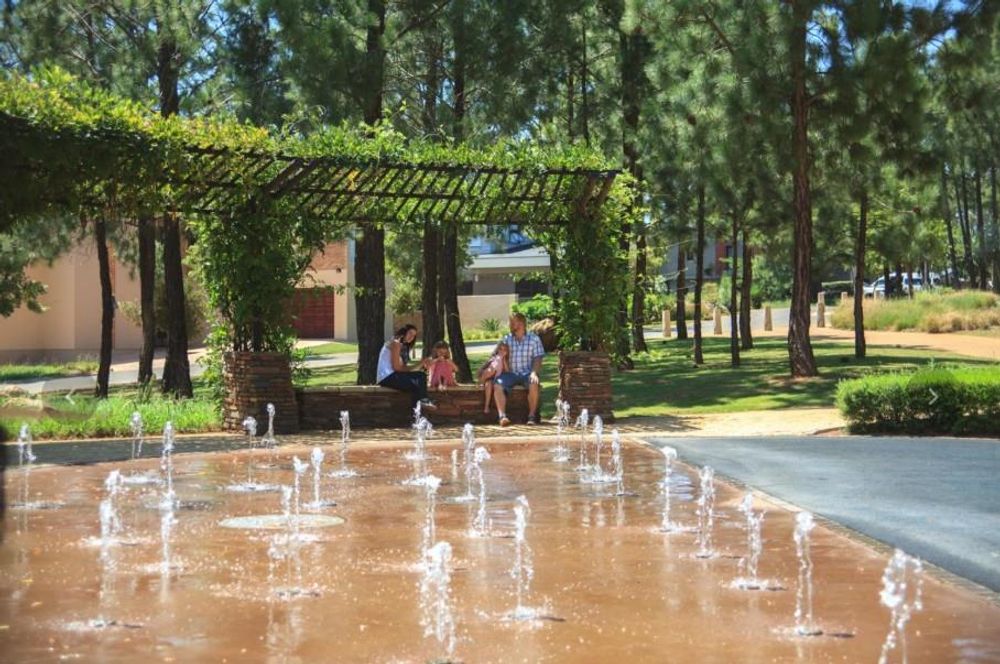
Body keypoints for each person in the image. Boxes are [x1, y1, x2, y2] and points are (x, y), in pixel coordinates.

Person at [493, 312, 544, 426]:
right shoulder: (507, 339)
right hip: (510, 373)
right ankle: (502, 417)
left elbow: (538, 358)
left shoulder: (534, 339)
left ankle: (531, 416)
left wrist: (534, 373)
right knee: (497, 384)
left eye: (512, 322)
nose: (510, 325)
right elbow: (495, 355)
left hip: (527, 373)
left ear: (521, 324)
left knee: (534, 383)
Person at [376, 324, 436, 410]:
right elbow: (397, 368)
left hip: (394, 375)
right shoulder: (395, 343)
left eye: (414, 335)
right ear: (404, 332)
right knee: (415, 386)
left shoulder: (402, 346)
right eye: (410, 333)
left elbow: (403, 368)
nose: (412, 337)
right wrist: (420, 363)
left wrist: (422, 365)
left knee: (421, 375)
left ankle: (423, 401)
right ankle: (418, 411)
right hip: (386, 377)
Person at [477, 341, 510, 413]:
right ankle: (486, 406)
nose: (502, 351)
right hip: (489, 377)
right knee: (488, 384)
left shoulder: (506, 360)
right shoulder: (494, 358)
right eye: (500, 349)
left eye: (504, 350)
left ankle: (489, 406)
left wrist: (503, 359)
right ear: (497, 350)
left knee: (492, 384)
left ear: (507, 352)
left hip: (498, 378)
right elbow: (483, 368)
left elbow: (507, 371)